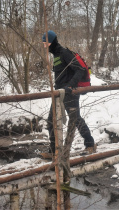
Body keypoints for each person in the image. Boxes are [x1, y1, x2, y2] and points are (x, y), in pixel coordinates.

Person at [41, 30, 96, 159]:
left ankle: (90, 144)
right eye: (43, 44)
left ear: (53, 42)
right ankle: (53, 151)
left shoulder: (64, 53)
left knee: (76, 119)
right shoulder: (56, 56)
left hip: (69, 93)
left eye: (46, 43)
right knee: (51, 122)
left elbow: (80, 69)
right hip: (58, 94)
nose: (45, 47)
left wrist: (70, 85)